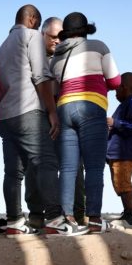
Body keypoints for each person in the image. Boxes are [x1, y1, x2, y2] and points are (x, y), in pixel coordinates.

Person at [0, 5, 88, 237]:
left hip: (6, 115)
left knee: (13, 172)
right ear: (33, 19)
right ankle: (55, 219)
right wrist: (52, 111)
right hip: (29, 112)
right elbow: (40, 76)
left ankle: (15, 222)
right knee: (46, 162)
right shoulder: (32, 35)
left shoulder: (2, 46)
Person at [50, 12, 121, 233]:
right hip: (91, 106)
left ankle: (66, 219)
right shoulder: (98, 46)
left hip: (64, 109)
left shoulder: (56, 56)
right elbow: (116, 81)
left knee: (68, 168)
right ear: (85, 30)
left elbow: (54, 91)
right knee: (93, 167)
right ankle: (94, 220)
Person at [107, 72, 132, 226]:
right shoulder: (124, 105)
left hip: (125, 154)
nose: (115, 93)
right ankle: (128, 211)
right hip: (117, 155)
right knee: (119, 183)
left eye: (117, 89)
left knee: (123, 182)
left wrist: (114, 123)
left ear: (124, 87)